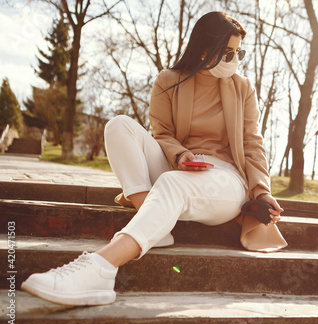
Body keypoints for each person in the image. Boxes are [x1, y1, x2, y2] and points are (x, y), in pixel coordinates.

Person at [21, 11, 283, 306]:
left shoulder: (243, 88)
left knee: (173, 184)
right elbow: (162, 134)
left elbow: (252, 143)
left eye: (239, 53)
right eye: (228, 52)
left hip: (225, 179)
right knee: (119, 125)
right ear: (205, 49)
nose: (234, 60)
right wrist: (181, 154)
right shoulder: (169, 80)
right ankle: (151, 219)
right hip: (178, 165)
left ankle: (101, 267)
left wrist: (262, 191)